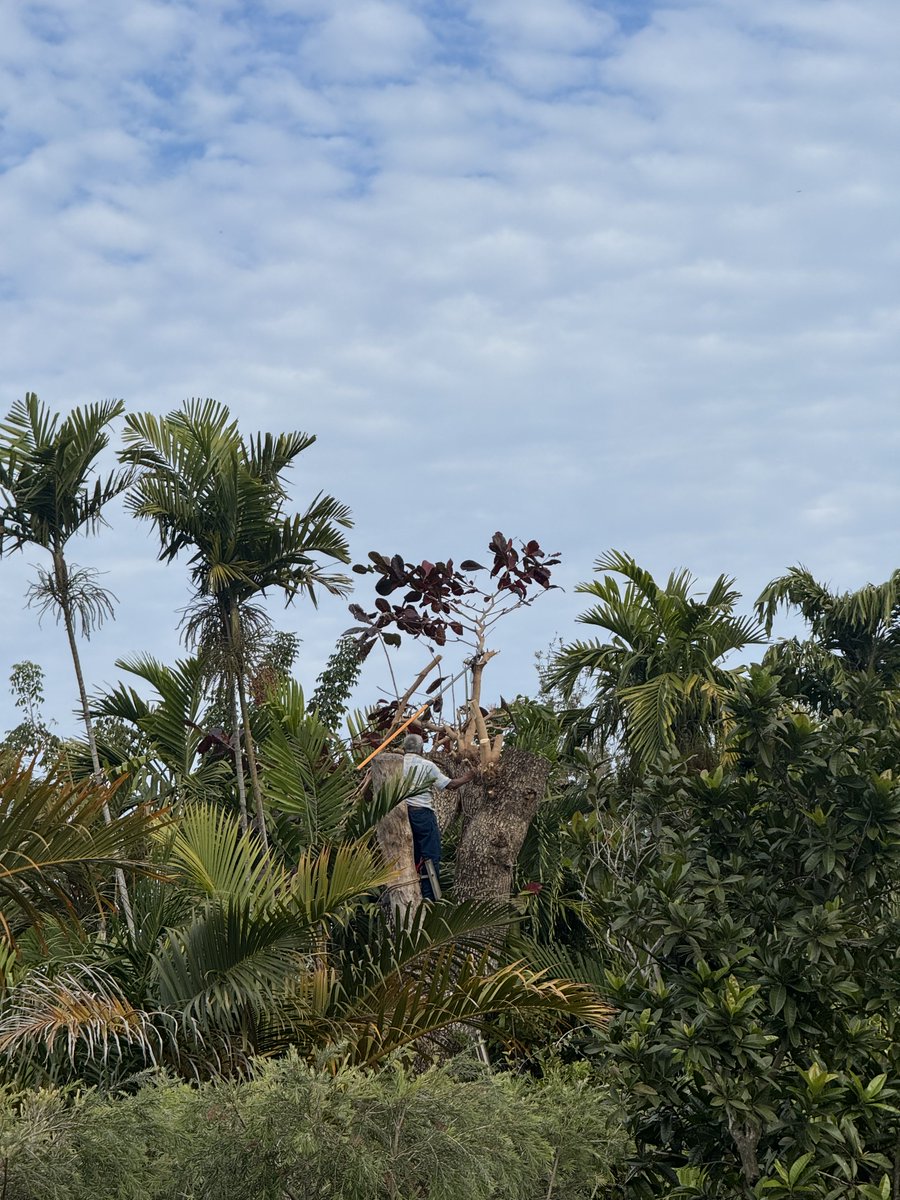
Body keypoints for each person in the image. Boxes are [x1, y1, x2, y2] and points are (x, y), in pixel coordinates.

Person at [400, 733, 473, 900]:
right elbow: (450, 785)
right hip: (422, 813)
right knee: (430, 855)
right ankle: (429, 896)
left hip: (401, 816)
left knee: (411, 854)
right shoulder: (427, 765)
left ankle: (410, 889)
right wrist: (469, 776)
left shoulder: (396, 763)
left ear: (404, 748)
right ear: (421, 748)